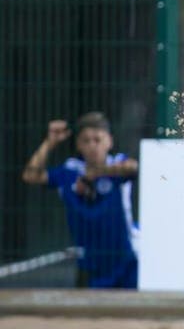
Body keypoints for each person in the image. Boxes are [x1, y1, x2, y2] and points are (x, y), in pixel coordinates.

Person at [21, 112, 140, 289]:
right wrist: (50, 142)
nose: (92, 145)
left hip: (126, 259)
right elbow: (30, 175)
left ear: (109, 141)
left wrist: (98, 173)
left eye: (97, 140)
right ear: (78, 145)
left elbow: (134, 167)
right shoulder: (70, 171)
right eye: (86, 140)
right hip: (90, 263)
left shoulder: (118, 164)